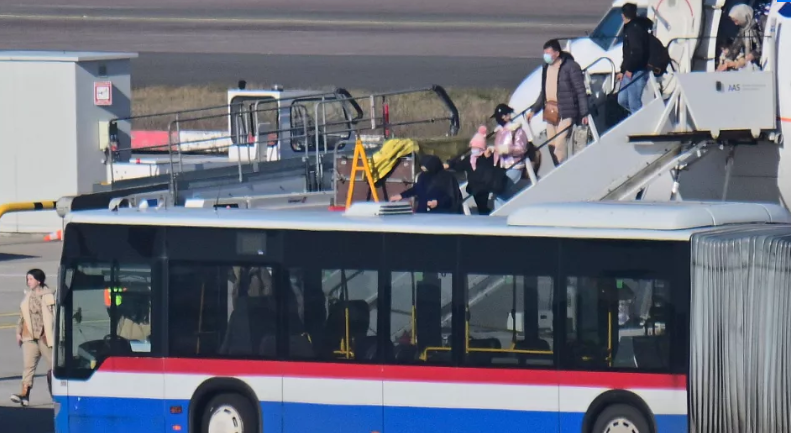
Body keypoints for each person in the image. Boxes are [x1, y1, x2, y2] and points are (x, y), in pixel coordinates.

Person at [527, 39, 589, 166]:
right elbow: (543, 92)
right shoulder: (546, 68)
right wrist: (534, 110)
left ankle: (563, 169)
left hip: (566, 111)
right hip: (550, 111)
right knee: (551, 144)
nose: (546, 56)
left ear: (557, 53)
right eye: (544, 53)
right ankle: (558, 166)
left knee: (560, 144)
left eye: (548, 53)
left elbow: (580, 90)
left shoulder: (570, 67)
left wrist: (584, 113)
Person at [12, 269, 56, 407]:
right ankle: (24, 394)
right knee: (28, 367)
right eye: (27, 279)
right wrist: (18, 331)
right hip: (30, 337)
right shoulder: (28, 296)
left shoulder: (49, 296)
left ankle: (56, 394)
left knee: (54, 366)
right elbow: (22, 316)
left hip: (45, 338)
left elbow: (55, 316)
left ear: (39, 280)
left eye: (31, 279)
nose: (28, 282)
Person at [444, 125, 500, 215]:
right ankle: (484, 211)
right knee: (481, 204)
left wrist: (450, 165)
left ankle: (484, 212)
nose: (474, 150)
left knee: (482, 204)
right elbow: (459, 166)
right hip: (476, 186)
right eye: (473, 148)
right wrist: (450, 164)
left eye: (476, 148)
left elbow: (458, 166)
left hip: (481, 186)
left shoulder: (485, 157)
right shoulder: (470, 159)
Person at [490, 104, 532, 209]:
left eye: (503, 115)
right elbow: (498, 149)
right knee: (499, 191)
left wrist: (507, 149)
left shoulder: (517, 130)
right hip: (501, 167)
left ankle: (501, 213)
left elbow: (522, 148)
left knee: (501, 191)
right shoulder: (500, 132)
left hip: (514, 166)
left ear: (508, 115)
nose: (501, 119)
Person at [390, 154, 463, 214]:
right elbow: (417, 189)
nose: (425, 172)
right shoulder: (423, 176)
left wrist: (438, 202)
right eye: (423, 170)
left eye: (426, 169)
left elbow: (452, 197)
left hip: (442, 214)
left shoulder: (447, 178)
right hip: (423, 212)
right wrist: (401, 195)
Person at [617, 3, 653, 113]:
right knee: (622, 100)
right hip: (629, 69)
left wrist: (630, 69)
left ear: (623, 15)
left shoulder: (634, 29)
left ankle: (639, 119)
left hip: (637, 70)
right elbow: (628, 53)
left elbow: (637, 52)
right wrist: (623, 70)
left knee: (634, 103)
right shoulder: (629, 28)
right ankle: (635, 116)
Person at [717, 4, 763, 72]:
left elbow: (763, 45)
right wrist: (726, 61)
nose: (736, 24)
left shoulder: (759, 24)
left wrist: (753, 54)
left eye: (736, 21)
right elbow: (735, 47)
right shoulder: (743, 30)